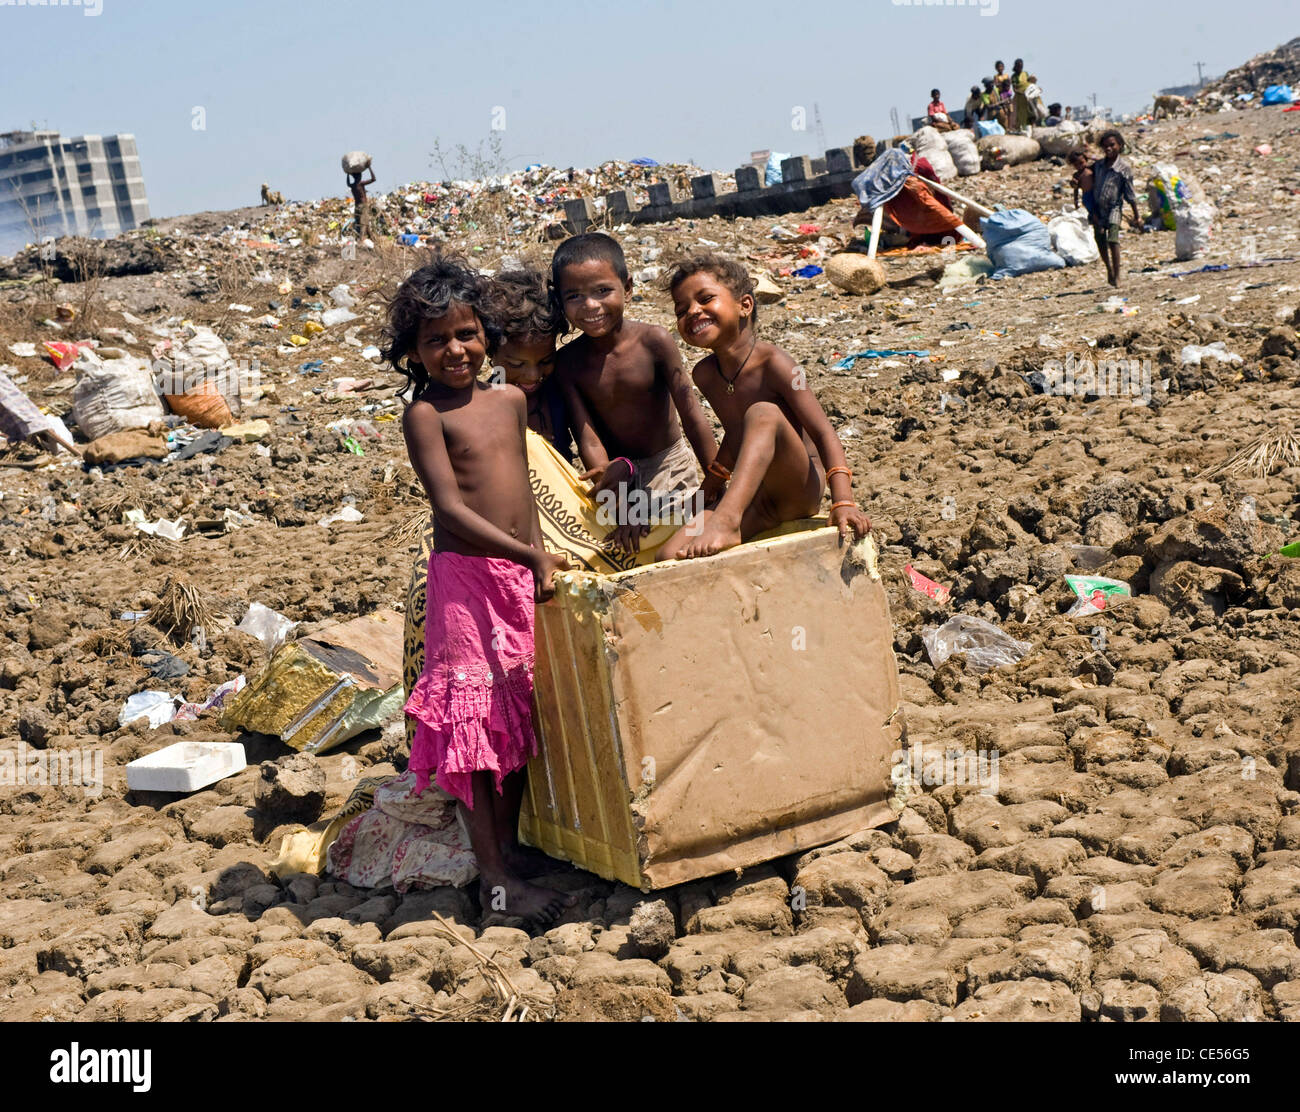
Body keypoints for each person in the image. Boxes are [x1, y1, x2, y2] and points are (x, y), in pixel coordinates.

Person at [385, 251, 573, 927]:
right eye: (437, 341)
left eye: (467, 334)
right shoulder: (426, 417)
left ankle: (511, 853)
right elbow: (451, 509)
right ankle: (494, 883)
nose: (455, 350)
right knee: (471, 728)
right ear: (414, 352)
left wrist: (543, 555)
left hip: (521, 574)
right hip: (466, 583)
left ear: (489, 336)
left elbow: (525, 490)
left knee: (513, 719)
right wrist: (529, 554)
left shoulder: (511, 401)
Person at [659, 254, 871, 560]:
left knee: (763, 413)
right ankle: (725, 524)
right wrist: (708, 490)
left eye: (705, 299)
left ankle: (727, 520)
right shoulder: (705, 374)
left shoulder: (777, 364)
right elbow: (734, 436)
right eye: (682, 309)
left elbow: (825, 434)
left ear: (745, 305)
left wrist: (843, 501)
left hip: (797, 487)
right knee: (669, 555)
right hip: (754, 498)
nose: (692, 311)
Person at [551, 233, 717, 555]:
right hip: (614, 474)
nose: (591, 306)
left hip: (669, 466)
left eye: (602, 291)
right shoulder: (568, 363)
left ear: (627, 287)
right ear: (560, 301)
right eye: (574, 296)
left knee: (681, 547)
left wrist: (716, 481)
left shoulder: (654, 342)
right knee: (620, 550)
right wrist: (624, 504)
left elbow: (692, 415)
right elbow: (588, 438)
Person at [489, 267, 571, 456]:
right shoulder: (481, 407)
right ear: (489, 351)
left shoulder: (559, 395)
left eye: (546, 361)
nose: (533, 376)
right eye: (517, 365)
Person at [1089, 130, 1143, 287]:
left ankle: (1118, 275)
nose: (1109, 149)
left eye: (1112, 145)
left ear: (1120, 145)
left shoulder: (1124, 168)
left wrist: (1137, 216)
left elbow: (1130, 194)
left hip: (1114, 208)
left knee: (1113, 240)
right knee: (1100, 239)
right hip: (1098, 208)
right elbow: (1085, 177)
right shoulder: (1097, 166)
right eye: (1105, 146)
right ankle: (1109, 269)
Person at [348, 164, 377, 239]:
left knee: (362, 223)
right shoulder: (361, 184)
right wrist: (369, 167)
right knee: (364, 224)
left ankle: (372, 238)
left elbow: (348, 183)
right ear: (359, 177)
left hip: (356, 207)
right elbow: (373, 179)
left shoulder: (352, 185)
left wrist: (348, 174)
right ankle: (361, 240)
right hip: (363, 206)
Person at [1067, 149, 1096, 222]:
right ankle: (1093, 220)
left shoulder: (1092, 169)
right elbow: (1075, 189)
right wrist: (1076, 202)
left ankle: (1095, 221)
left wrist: (1091, 157)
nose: (1079, 166)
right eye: (1076, 165)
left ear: (1086, 160)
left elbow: (1102, 161)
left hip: (1096, 194)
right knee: (1093, 212)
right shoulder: (1076, 175)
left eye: (1081, 163)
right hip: (1086, 197)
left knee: (1097, 212)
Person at [1012, 59, 1031, 131]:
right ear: (1016, 67)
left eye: (1021, 66)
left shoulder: (1025, 73)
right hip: (1019, 97)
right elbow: (1014, 89)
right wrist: (1022, 93)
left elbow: (1029, 83)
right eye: (1019, 66)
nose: (1020, 68)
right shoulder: (1014, 76)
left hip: (1028, 95)